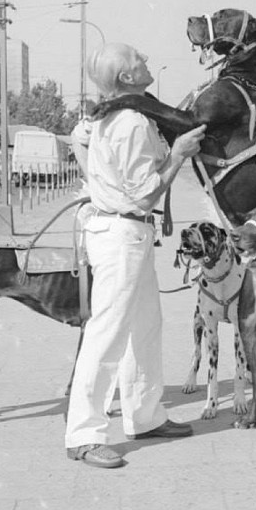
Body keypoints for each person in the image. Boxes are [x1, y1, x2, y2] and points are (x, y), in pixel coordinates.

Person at [66, 43, 207, 469]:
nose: (148, 60)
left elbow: (79, 139)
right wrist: (179, 154)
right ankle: (84, 435)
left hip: (123, 231)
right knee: (107, 334)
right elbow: (146, 194)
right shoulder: (130, 124)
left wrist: (101, 187)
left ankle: (145, 417)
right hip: (123, 232)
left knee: (145, 327)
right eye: (140, 60)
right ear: (127, 78)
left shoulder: (109, 117)